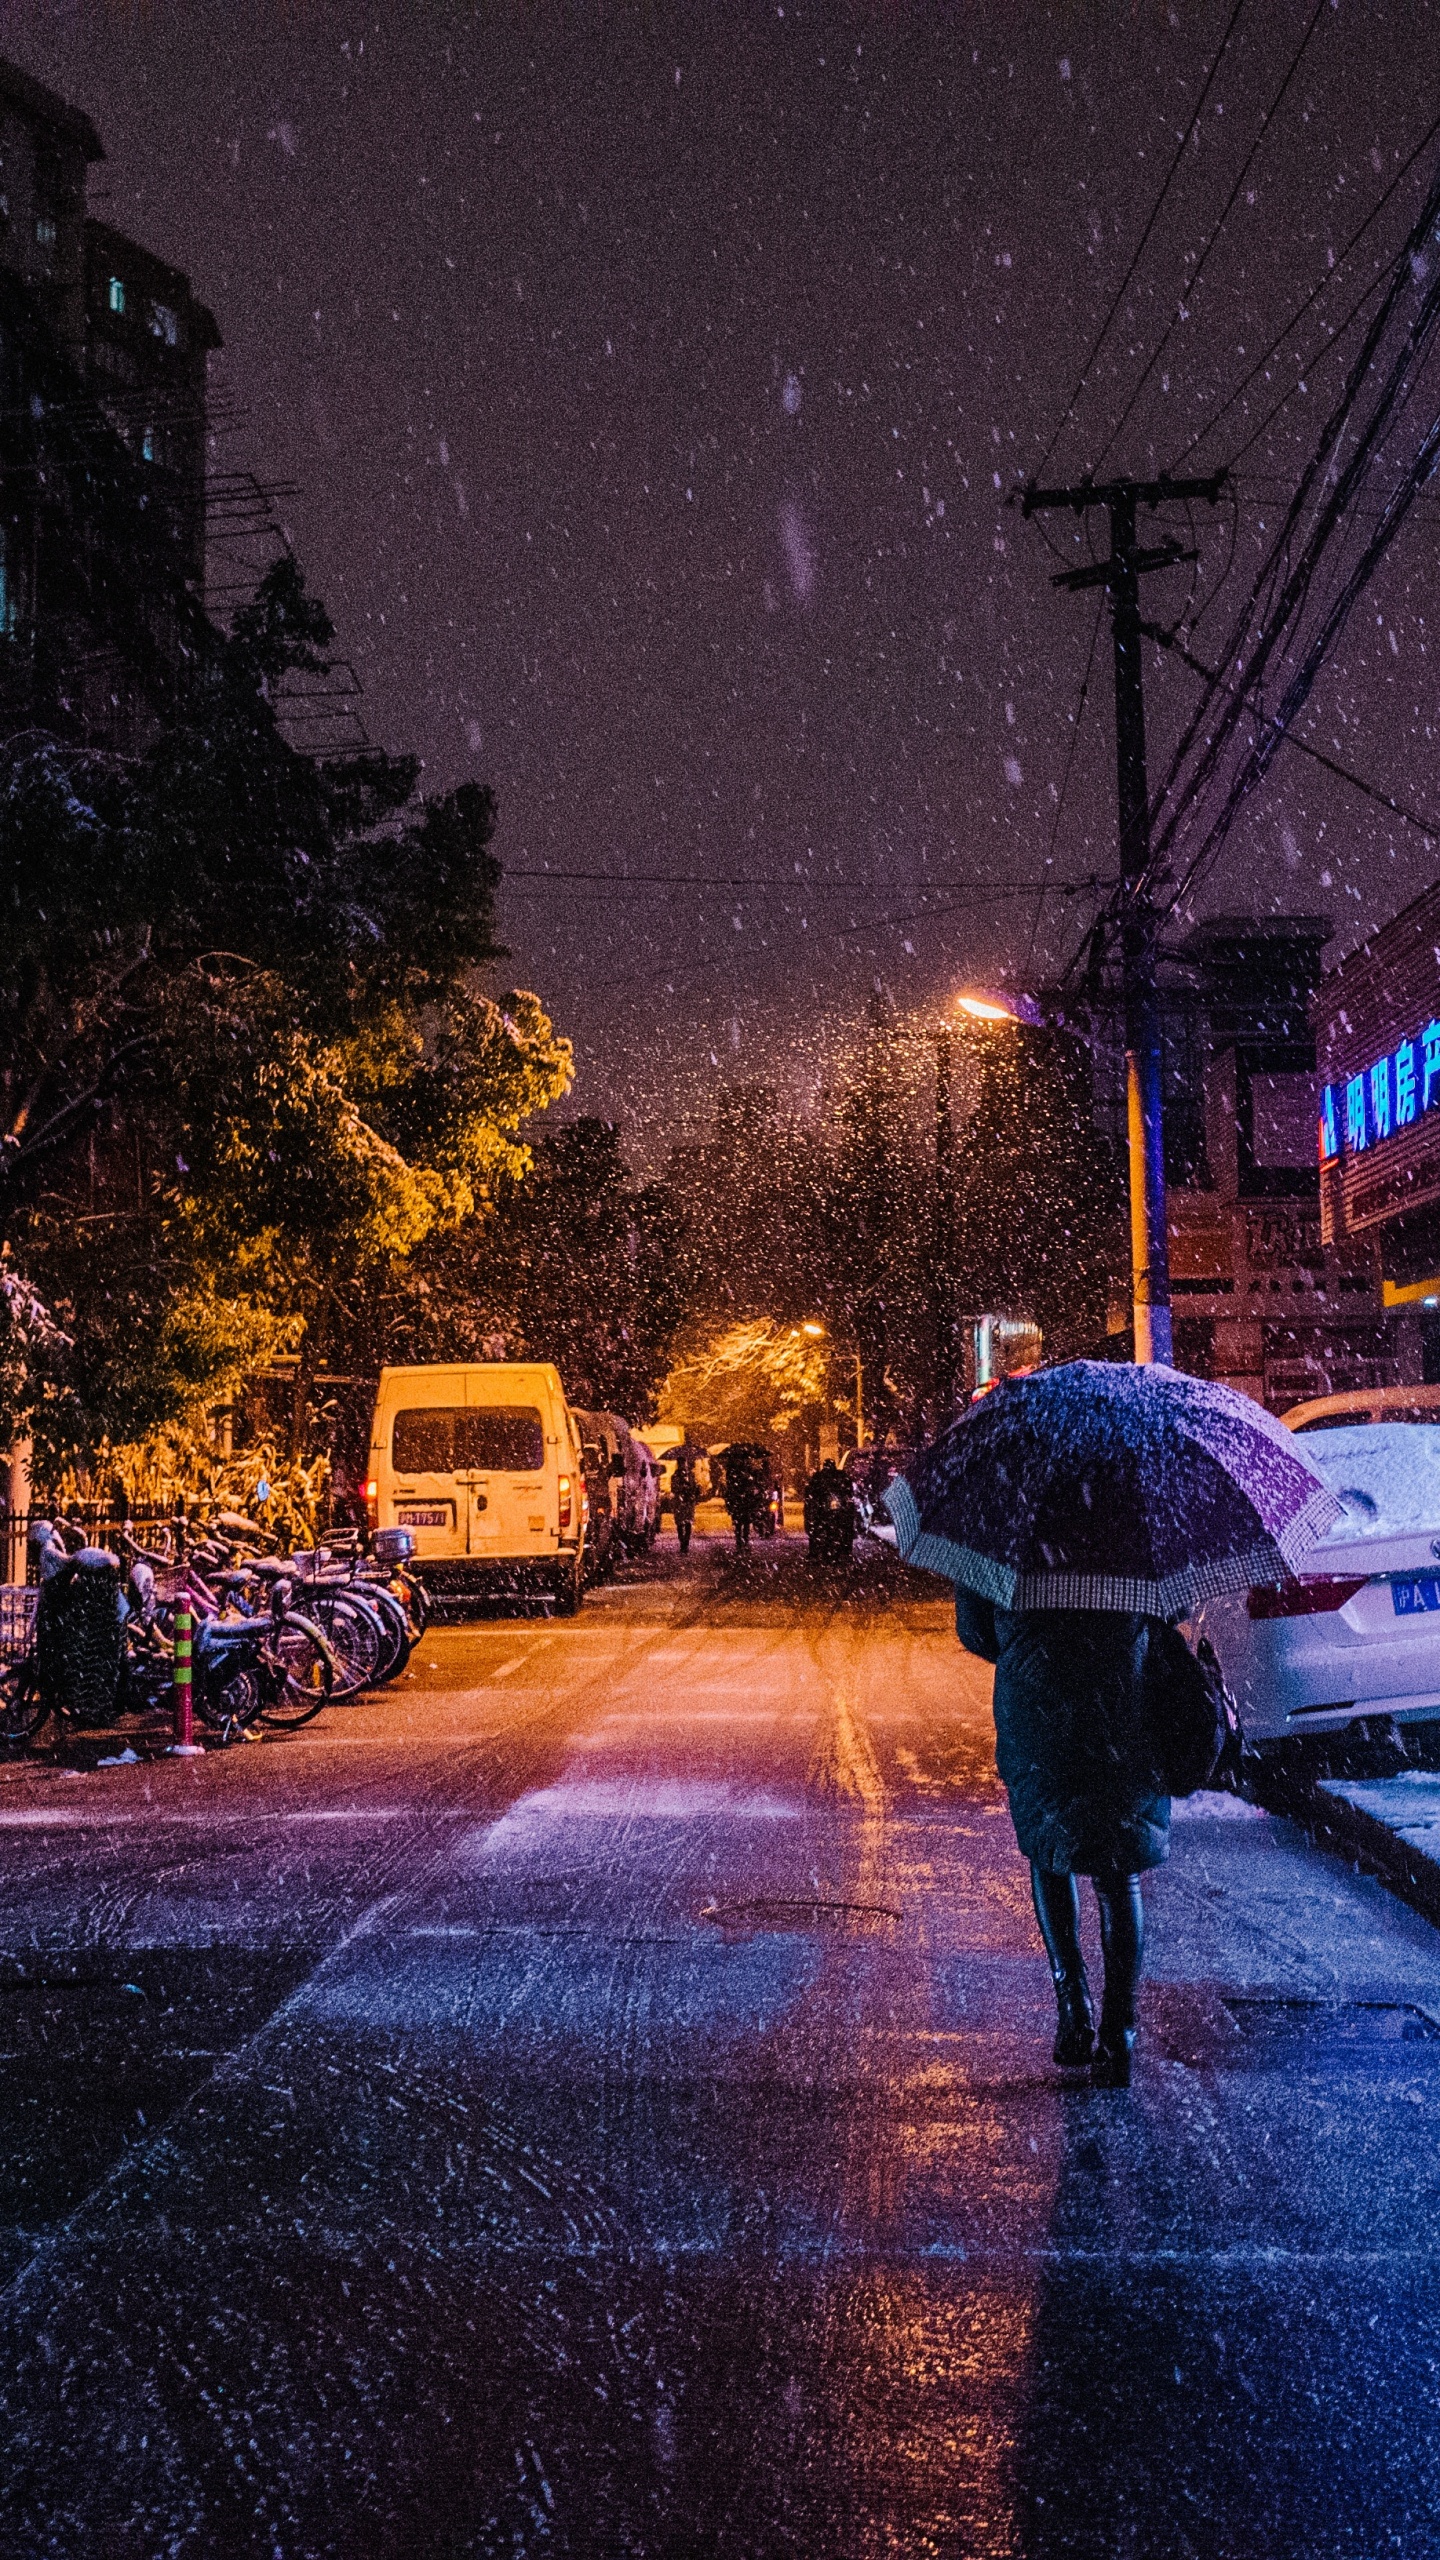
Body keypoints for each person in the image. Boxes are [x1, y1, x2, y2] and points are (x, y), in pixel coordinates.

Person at [953, 1590, 1195, 2088]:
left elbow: (976, 1631)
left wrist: (1036, 1644)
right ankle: (1120, 2031)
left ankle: (1073, 2006)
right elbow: (1173, 1609)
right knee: (1119, 1873)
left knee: (1050, 1854)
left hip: (1039, 1710)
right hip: (1125, 1708)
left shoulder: (1011, 1528)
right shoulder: (1129, 1525)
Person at [803, 1458, 858, 1565]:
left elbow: (848, 1489)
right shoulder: (821, 1477)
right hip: (823, 1508)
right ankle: (815, 1551)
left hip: (835, 1508)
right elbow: (810, 1492)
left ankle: (819, 1551)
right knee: (816, 1527)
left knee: (845, 1525)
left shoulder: (839, 1477)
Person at [720, 1442, 766, 1552]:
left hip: (743, 1500)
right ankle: (741, 1542)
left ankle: (743, 1542)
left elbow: (755, 1482)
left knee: (743, 1522)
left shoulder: (746, 1470)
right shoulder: (734, 1471)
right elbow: (731, 1485)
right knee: (740, 1522)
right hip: (739, 1499)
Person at [669, 1440, 702, 1555]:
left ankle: (685, 1544)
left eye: (685, 1463)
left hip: (689, 1501)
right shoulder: (675, 1476)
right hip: (680, 1501)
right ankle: (682, 1541)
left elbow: (695, 1487)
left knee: (688, 1523)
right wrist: (682, 1487)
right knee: (680, 1523)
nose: (684, 1465)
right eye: (682, 1463)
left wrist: (696, 1490)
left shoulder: (691, 1475)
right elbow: (674, 1489)